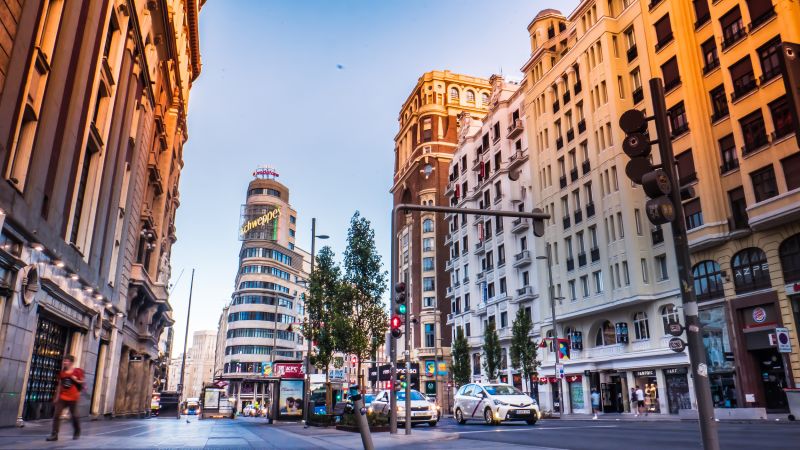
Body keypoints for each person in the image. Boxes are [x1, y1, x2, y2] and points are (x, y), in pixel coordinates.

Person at [46, 355, 84, 441]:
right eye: (64, 361)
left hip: (73, 397)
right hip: (63, 397)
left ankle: (77, 431)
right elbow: (59, 385)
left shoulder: (77, 371)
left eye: (66, 361)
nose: (64, 363)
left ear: (71, 362)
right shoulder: (62, 373)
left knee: (74, 416)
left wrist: (75, 379)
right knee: (56, 415)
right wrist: (56, 396)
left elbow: (82, 382)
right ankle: (54, 434)